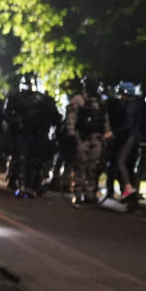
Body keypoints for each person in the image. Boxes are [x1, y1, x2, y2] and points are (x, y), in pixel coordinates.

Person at [4, 73, 61, 198]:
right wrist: (18, 121)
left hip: (39, 134)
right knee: (22, 158)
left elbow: (55, 117)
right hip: (23, 132)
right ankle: (22, 185)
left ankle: (34, 184)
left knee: (37, 160)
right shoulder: (16, 98)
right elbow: (7, 114)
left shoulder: (44, 99)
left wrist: (48, 124)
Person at [64, 76, 113, 204]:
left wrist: (107, 133)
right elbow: (71, 117)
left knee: (93, 166)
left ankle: (90, 193)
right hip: (82, 136)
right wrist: (72, 134)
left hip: (96, 137)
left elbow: (105, 119)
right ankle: (78, 193)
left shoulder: (101, 102)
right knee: (81, 164)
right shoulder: (79, 99)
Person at [110, 82, 145, 204]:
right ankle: (130, 197)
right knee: (129, 166)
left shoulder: (130, 106)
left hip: (130, 138)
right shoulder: (138, 105)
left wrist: (114, 133)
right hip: (135, 138)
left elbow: (128, 125)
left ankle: (128, 187)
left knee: (121, 162)